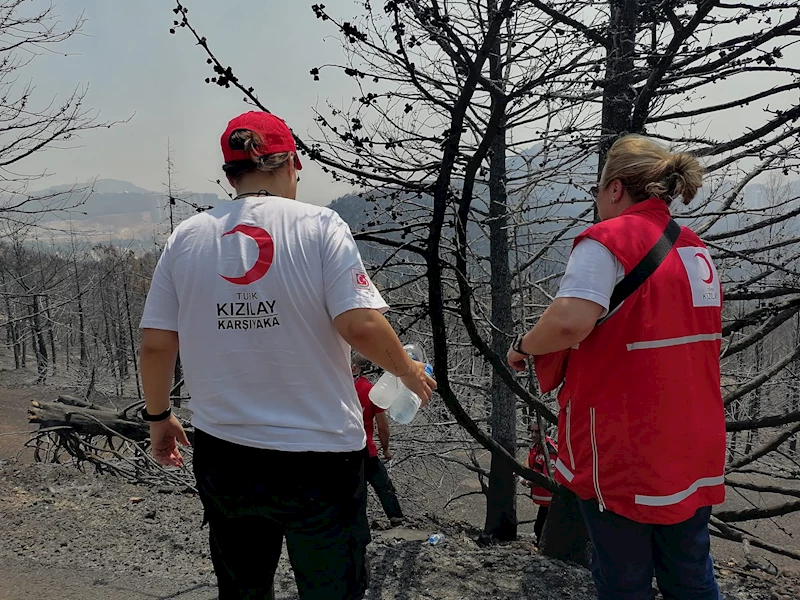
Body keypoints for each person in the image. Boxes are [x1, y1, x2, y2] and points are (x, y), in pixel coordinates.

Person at [138, 111, 436, 600]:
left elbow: (156, 344)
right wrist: (405, 369)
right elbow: (358, 323)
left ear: (231, 174)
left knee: (242, 588)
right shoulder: (320, 225)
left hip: (225, 452)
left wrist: (159, 417)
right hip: (319, 456)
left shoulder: (186, 237)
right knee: (331, 588)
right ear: (292, 164)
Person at [507, 134, 725, 600]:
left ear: (615, 188)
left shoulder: (608, 240)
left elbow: (569, 321)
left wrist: (524, 345)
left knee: (622, 579)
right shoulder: (695, 249)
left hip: (626, 450)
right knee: (690, 572)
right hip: (692, 445)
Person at [352, 353, 405, 527]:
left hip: (341, 449)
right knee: (383, 484)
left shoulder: (339, 388)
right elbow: (383, 426)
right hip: (365, 448)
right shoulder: (372, 392)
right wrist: (386, 449)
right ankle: (396, 517)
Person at [520, 420, 558, 545]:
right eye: (532, 431)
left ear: (545, 432)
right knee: (539, 528)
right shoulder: (537, 447)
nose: (533, 435)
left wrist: (526, 482)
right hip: (545, 501)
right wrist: (522, 472)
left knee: (542, 529)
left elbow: (547, 479)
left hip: (551, 500)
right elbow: (529, 461)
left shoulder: (550, 452)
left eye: (537, 431)